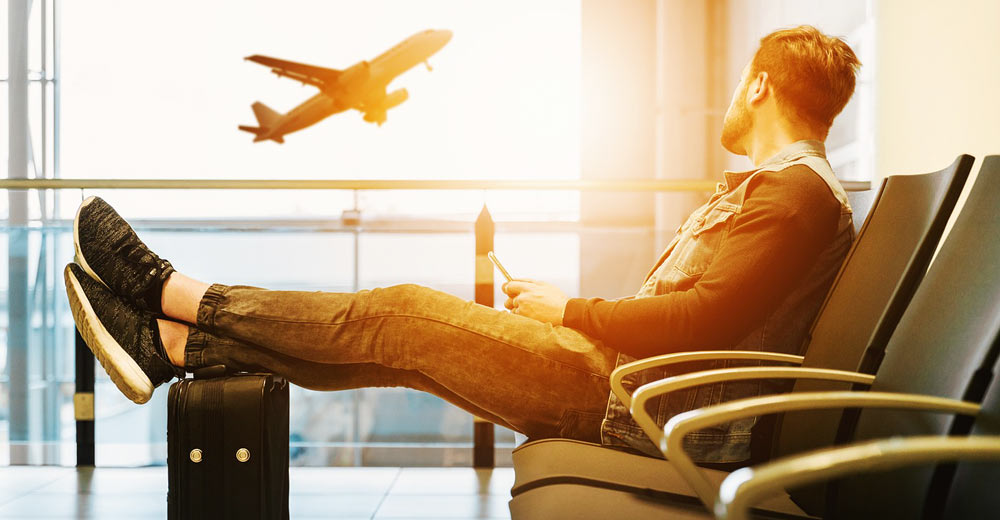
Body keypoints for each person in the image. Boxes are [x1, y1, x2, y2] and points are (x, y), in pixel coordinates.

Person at [64, 25, 860, 463]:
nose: (729, 99)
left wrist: (573, 310)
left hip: (634, 404)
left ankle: (167, 289)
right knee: (401, 352)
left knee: (401, 314)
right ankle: (172, 346)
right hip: (632, 390)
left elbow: (703, 323)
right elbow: (704, 317)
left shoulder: (793, 194)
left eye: (736, 85)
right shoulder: (787, 193)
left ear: (758, 85)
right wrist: (572, 314)